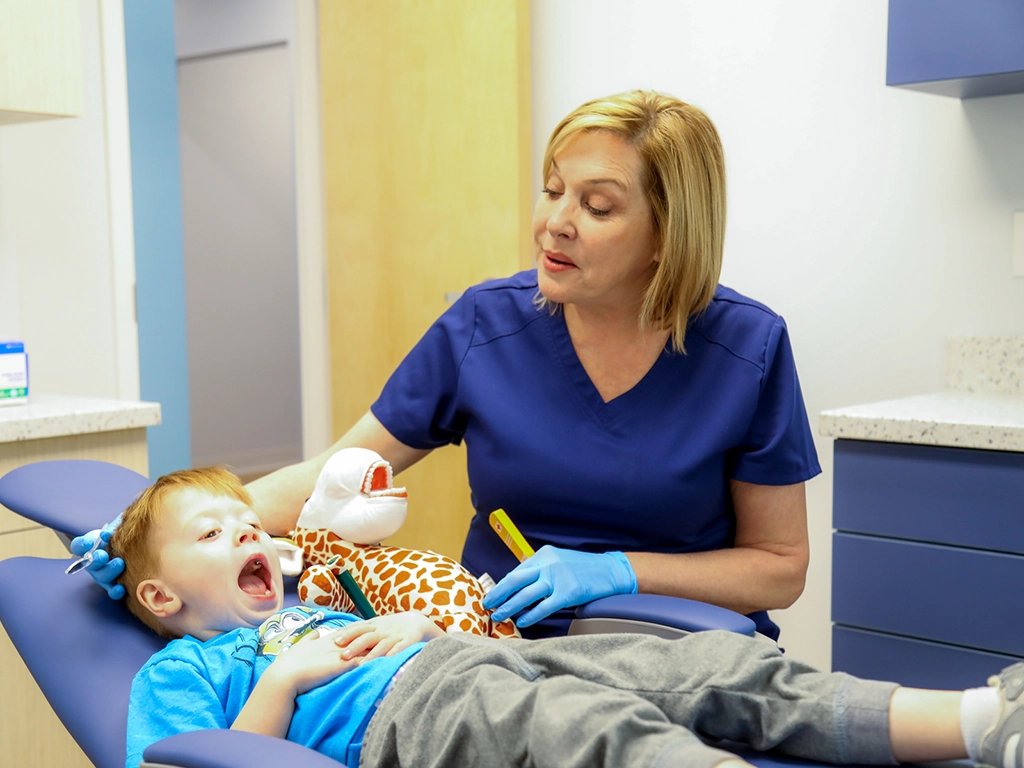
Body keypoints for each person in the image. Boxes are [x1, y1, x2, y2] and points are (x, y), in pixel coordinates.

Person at [80, 90, 820, 640]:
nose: (554, 222)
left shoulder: (745, 348)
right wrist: (144, 534)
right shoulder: (484, 325)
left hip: (680, 640)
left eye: (598, 206)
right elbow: (337, 472)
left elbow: (779, 567)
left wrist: (621, 569)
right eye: (553, 188)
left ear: (667, 234)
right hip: (494, 639)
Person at [112, 467, 1020, 768]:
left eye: (248, 522)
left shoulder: (313, 600)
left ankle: (978, 722)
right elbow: (202, 760)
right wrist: (278, 682)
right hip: (408, 719)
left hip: (463, 665)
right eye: (213, 532)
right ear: (160, 596)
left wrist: (425, 630)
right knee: (602, 732)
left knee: (704, 667)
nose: (248, 532)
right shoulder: (187, 670)